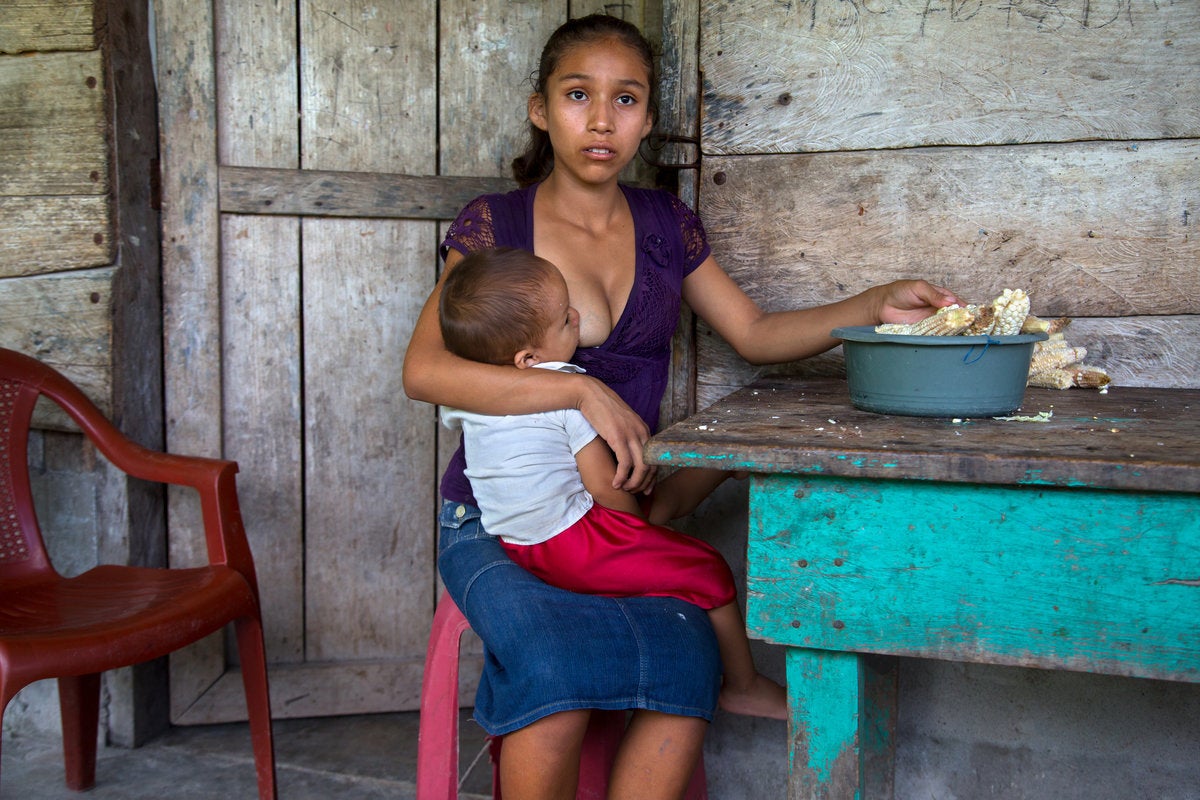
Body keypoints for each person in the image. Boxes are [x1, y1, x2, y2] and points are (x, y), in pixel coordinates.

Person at [402, 13, 961, 799]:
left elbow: (757, 333)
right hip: (498, 520)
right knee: (556, 677)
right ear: (540, 109)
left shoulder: (667, 226)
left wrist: (873, 303)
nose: (601, 120)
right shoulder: (499, 226)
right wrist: (577, 385)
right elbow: (425, 372)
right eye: (577, 95)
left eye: (626, 100)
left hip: (612, 516)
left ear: (649, 121)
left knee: (685, 658)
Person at [437, 247, 787, 720]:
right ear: (528, 358)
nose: (577, 318)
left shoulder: (471, 398)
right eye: (565, 320)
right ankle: (743, 685)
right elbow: (605, 488)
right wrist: (638, 533)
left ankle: (720, 467)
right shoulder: (563, 392)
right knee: (708, 568)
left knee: (652, 504)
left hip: (517, 543)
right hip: (571, 545)